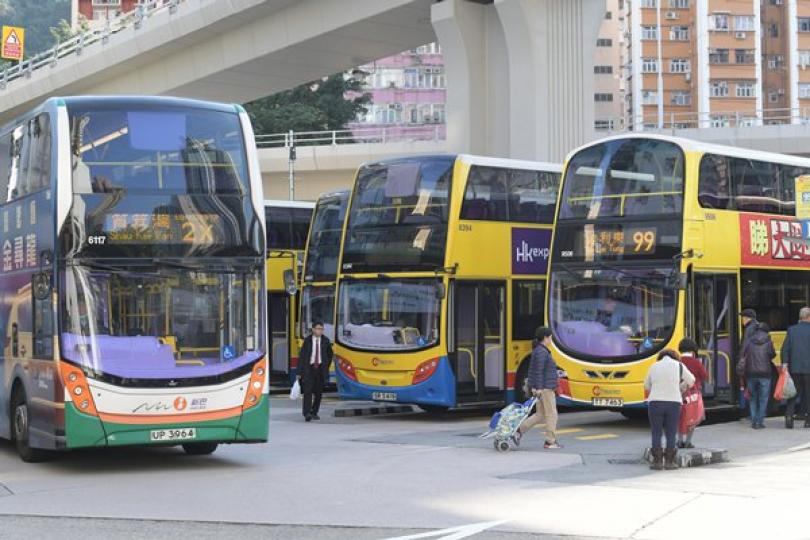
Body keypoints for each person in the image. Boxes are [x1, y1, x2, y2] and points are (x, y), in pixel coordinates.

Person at [644, 349, 695, 470]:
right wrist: (679, 387)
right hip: (673, 403)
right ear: (675, 357)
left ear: (661, 357)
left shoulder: (654, 366)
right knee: (671, 433)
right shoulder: (679, 366)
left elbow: (646, 385)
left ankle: (657, 462)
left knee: (656, 432)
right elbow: (691, 381)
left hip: (655, 403)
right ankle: (669, 462)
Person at [513, 327, 561, 449]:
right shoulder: (541, 352)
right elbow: (538, 371)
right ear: (545, 338)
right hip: (545, 388)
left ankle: (519, 431)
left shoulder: (539, 351)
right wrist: (538, 388)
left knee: (540, 415)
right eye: (550, 337)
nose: (551, 340)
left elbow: (534, 371)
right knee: (552, 414)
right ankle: (550, 441)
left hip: (542, 387)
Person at [736, 320, 777, 429]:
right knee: (763, 398)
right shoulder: (768, 341)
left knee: (753, 397)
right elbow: (772, 355)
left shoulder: (749, 340)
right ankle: (759, 421)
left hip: (751, 373)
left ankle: (754, 421)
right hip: (765, 373)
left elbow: (743, 353)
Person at [298, 321, 333, 422]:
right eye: (318, 329)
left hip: (320, 369)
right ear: (313, 329)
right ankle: (307, 413)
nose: (320, 331)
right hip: (309, 368)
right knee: (307, 391)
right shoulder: (307, 341)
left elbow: (329, 354)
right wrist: (299, 372)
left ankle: (314, 412)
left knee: (318, 393)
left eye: (321, 329)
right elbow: (302, 357)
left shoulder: (325, 341)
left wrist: (326, 365)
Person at [676, 339, 708, 449]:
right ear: (693, 349)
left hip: (679, 393)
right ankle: (688, 442)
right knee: (692, 417)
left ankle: (680, 441)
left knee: (680, 417)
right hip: (693, 395)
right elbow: (705, 376)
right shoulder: (696, 362)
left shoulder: (678, 361)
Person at [781, 307, 810, 429]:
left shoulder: (792, 330)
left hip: (795, 368)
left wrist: (784, 364)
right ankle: (808, 420)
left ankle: (789, 416)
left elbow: (785, 349)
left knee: (793, 393)